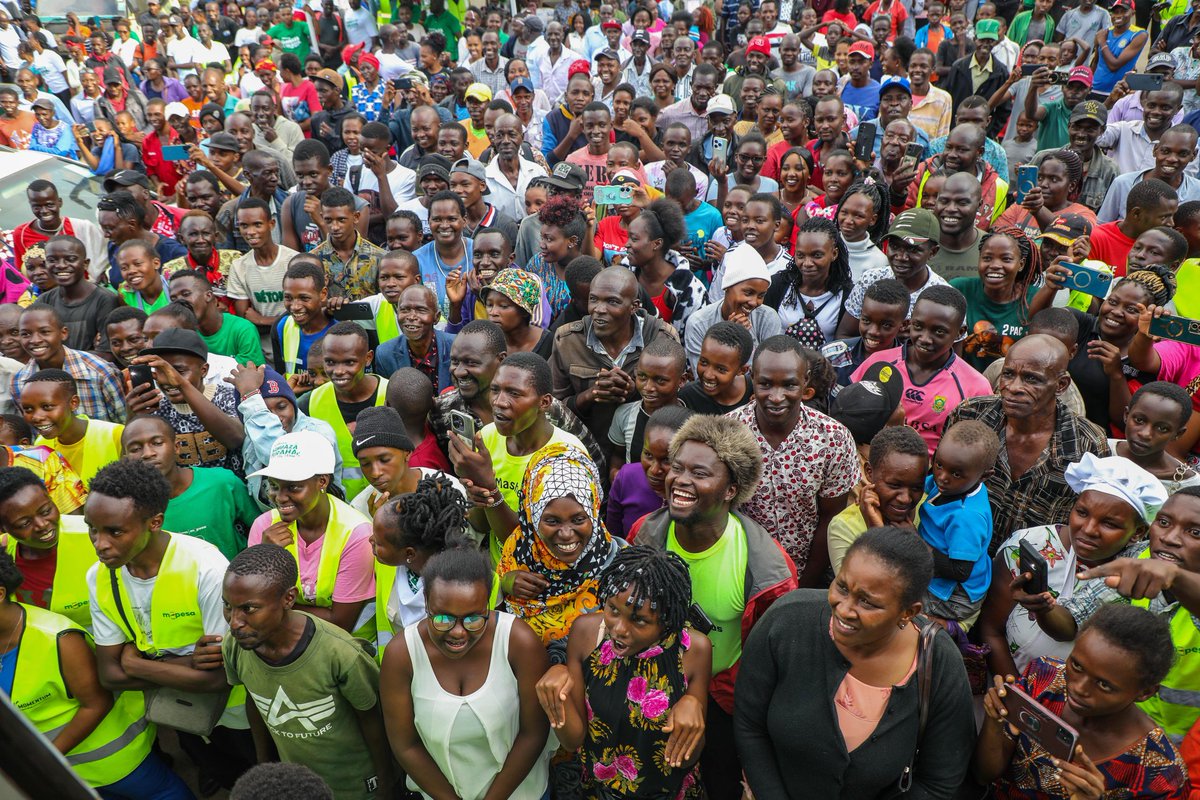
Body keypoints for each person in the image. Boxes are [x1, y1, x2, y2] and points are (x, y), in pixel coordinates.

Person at [630, 413, 798, 800]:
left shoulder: (767, 567)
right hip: (651, 682)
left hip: (725, 701)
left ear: (730, 489)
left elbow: (779, 659)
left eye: (700, 473)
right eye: (678, 467)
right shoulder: (646, 533)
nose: (680, 481)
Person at [735, 527, 975, 797]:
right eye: (842, 587)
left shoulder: (939, 663)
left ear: (908, 612)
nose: (845, 609)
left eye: (867, 603)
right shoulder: (786, 622)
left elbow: (938, 782)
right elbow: (749, 724)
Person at [85, 459, 253, 793]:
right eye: (93, 528)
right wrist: (185, 664)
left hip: (237, 715)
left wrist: (136, 662)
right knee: (216, 771)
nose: (100, 544)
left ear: (155, 522)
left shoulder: (205, 567)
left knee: (253, 774)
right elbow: (109, 675)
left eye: (115, 531)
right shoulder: (100, 577)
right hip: (177, 713)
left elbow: (220, 678)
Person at [0, 549, 185, 797]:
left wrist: (44, 758)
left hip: (113, 762)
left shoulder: (58, 638)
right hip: (61, 773)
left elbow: (96, 703)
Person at [536, 546, 711, 798]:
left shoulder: (693, 651)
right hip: (599, 790)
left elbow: (684, 761)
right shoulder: (587, 634)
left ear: (667, 620)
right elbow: (573, 740)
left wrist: (694, 712)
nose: (618, 629)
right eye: (613, 610)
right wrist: (555, 702)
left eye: (639, 620)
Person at [222, 543, 394, 798]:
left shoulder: (339, 653)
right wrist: (265, 764)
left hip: (355, 784)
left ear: (288, 598)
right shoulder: (236, 646)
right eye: (228, 606)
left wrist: (387, 786)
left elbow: (373, 721)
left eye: (249, 609)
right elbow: (255, 700)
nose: (234, 622)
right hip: (298, 785)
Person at [379, 547, 552, 799]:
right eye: (443, 618)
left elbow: (534, 732)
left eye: (473, 619)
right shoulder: (402, 654)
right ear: (426, 602)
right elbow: (405, 745)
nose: (458, 632)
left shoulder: (518, 642)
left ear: (488, 605)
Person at [979, 453, 1166, 679]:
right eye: (1082, 512)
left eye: (1109, 523)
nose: (1088, 529)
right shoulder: (1029, 545)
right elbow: (991, 630)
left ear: (1137, 533)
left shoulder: (1137, 573)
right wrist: (1016, 696)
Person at [975, 605, 1187, 798]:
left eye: (1104, 685)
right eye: (1076, 666)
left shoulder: (1161, 770)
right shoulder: (1043, 679)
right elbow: (983, 775)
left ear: (1145, 692)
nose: (1078, 687)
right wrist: (994, 722)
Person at [948, 335, 1112, 553]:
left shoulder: (1087, 444)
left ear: (1061, 385)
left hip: (1033, 572)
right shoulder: (970, 415)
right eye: (1008, 374)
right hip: (958, 554)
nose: (1013, 387)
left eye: (1031, 379)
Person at [732, 335, 859, 583]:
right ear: (753, 380)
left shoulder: (833, 438)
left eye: (789, 385)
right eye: (765, 384)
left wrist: (804, 584)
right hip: (739, 572)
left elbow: (830, 519)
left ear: (805, 382)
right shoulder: (729, 433)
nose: (777, 397)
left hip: (808, 572)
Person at [497, 441, 620, 659]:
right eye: (552, 521)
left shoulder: (617, 567)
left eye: (578, 519)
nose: (565, 533)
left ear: (593, 511)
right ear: (532, 516)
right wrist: (505, 583)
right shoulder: (518, 549)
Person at [246, 431, 374, 636]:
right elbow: (248, 601)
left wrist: (272, 608)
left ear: (322, 481)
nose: (280, 497)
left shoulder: (356, 534)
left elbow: (340, 623)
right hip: (282, 641)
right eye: (274, 486)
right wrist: (266, 556)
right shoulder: (264, 526)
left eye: (293, 487)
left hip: (344, 649)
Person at [550, 266, 681, 454]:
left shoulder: (661, 337)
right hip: (585, 450)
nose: (599, 310)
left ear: (634, 306)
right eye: (593, 299)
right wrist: (590, 395)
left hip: (644, 455)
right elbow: (551, 408)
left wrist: (637, 390)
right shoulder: (568, 339)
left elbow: (675, 404)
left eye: (612, 301)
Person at [1034, 264, 1175, 431]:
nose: (1116, 311)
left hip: (1092, 439)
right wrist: (1050, 288)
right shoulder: (1081, 324)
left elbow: (1125, 422)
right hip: (1042, 422)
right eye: (1113, 302)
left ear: (1148, 317)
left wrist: (1116, 374)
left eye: (1131, 309)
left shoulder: (1148, 359)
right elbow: (1037, 326)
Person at [122, 414, 257, 562]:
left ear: (176, 447)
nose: (147, 453)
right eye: (135, 449)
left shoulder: (222, 482)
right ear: (125, 458)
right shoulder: (128, 507)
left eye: (157, 443)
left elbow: (262, 526)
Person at [125, 328, 246, 476]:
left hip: (230, 492)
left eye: (179, 372)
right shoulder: (156, 407)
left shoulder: (227, 396)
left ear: (204, 370)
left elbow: (235, 439)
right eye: (161, 371)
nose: (168, 379)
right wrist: (132, 417)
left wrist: (182, 384)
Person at [228, 364, 343, 512]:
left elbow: (282, 458)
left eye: (282, 406)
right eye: (266, 412)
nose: (275, 418)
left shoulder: (317, 432)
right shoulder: (252, 438)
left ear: (293, 405)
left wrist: (251, 397)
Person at [0, 466, 95, 628]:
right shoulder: (3, 553)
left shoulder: (93, 535)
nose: (42, 525)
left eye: (45, 511)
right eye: (24, 523)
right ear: (3, 528)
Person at [12, 304, 126, 425]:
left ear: (63, 333)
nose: (35, 340)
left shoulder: (100, 372)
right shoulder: (20, 381)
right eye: (25, 334)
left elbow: (123, 423)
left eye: (44, 332)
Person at [685, 245, 783, 374]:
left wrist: (747, 338)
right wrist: (731, 339)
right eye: (748, 293)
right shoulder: (699, 323)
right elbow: (703, 378)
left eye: (761, 296)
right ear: (727, 287)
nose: (754, 302)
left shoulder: (768, 318)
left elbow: (770, 373)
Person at [20, 369, 123, 487]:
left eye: (47, 406)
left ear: (74, 403)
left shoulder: (115, 434)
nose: (36, 417)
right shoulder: (41, 444)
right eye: (28, 409)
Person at [608, 405, 694, 540]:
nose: (654, 470)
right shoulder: (627, 478)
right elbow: (614, 539)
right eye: (648, 455)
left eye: (667, 460)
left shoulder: (699, 495)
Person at [34, 235, 122, 352]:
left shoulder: (105, 300)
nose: (61, 265)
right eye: (52, 260)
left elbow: (107, 353)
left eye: (70, 259)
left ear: (85, 264)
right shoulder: (44, 301)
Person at [1113, 382, 1200, 494]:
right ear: (1126, 415)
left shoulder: (1188, 485)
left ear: (1178, 434)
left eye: (1162, 428)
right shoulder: (1097, 449)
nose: (1145, 434)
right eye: (1139, 420)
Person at [168, 270, 263, 366]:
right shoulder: (183, 335)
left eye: (186, 294)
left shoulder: (243, 330)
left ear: (208, 296)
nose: (179, 302)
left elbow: (253, 374)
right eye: (173, 299)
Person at [374, 286, 455, 390]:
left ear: (436, 317)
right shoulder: (385, 354)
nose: (411, 317)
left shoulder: (455, 347)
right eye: (404, 310)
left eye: (421, 310)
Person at [679, 321, 756, 416]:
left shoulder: (756, 393)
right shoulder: (688, 396)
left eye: (721, 369)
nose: (708, 375)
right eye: (704, 362)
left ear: (742, 370)